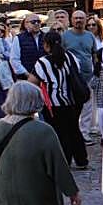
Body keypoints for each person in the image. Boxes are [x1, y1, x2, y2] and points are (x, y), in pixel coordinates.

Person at [29, 30, 89, 169]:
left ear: (45, 45)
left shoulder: (43, 62)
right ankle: (81, 160)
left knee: (60, 133)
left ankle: (64, 161)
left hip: (53, 103)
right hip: (73, 101)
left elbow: (32, 82)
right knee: (74, 129)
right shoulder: (71, 57)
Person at [62, 11, 98, 142]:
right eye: (76, 18)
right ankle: (73, 132)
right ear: (71, 19)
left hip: (88, 76)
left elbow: (93, 54)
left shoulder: (90, 36)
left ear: (85, 20)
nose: (78, 20)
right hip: (71, 77)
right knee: (72, 105)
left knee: (87, 106)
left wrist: (95, 71)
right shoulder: (65, 36)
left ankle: (84, 133)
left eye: (81, 18)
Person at [85, 15, 103, 136]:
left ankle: (99, 126)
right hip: (91, 72)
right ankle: (92, 125)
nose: (91, 27)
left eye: (93, 24)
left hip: (101, 72)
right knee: (90, 102)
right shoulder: (87, 39)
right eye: (89, 25)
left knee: (100, 101)